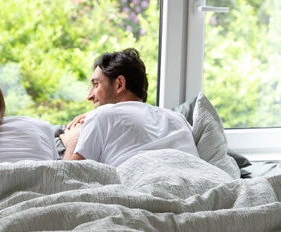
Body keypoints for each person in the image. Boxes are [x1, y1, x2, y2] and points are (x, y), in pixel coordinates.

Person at [59, 48, 199, 166]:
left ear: (119, 83)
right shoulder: (178, 119)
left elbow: (70, 176)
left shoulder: (102, 115)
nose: (89, 96)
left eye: (96, 84)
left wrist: (73, 140)